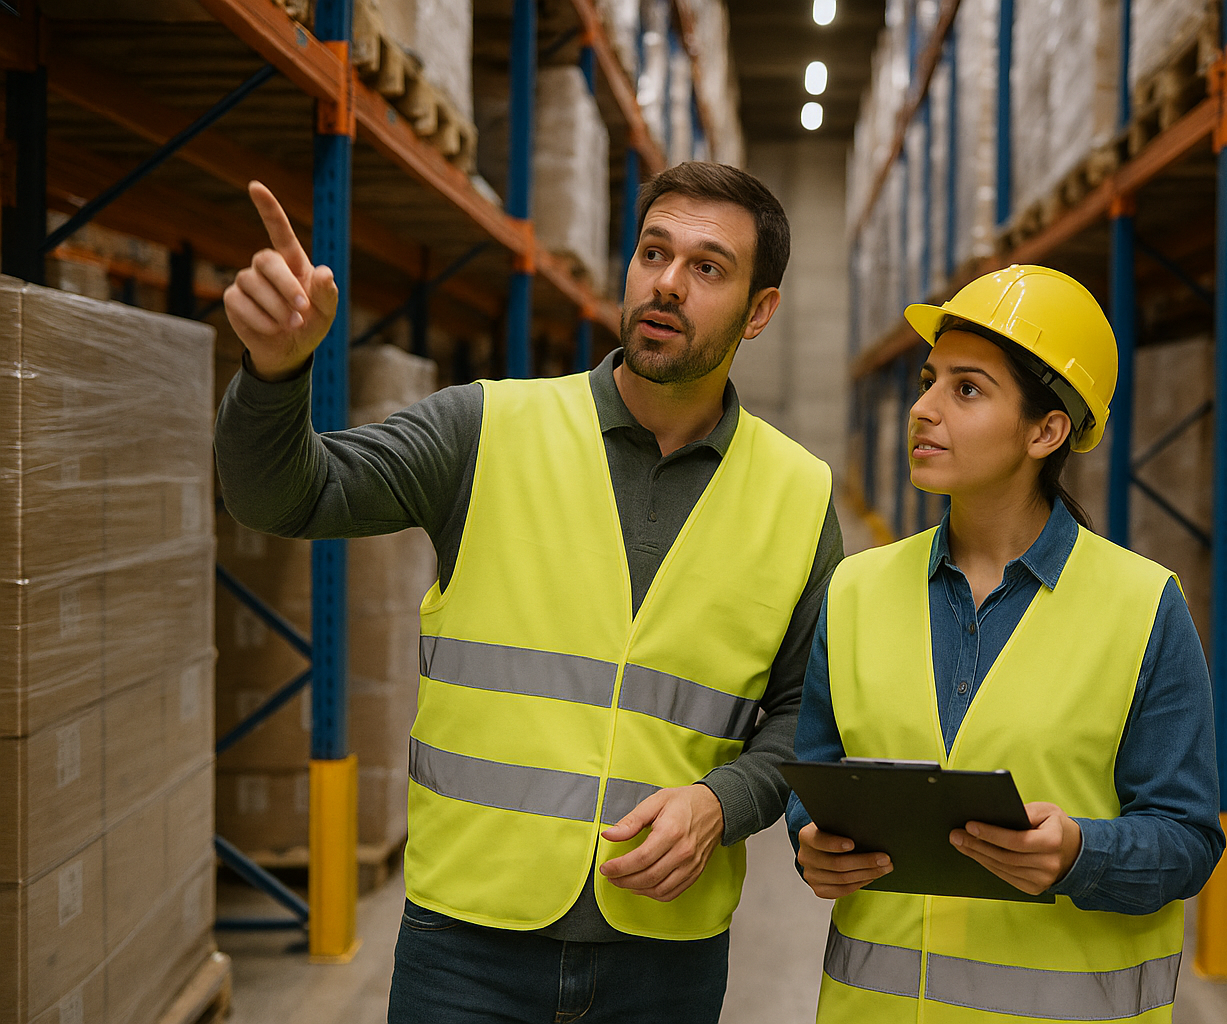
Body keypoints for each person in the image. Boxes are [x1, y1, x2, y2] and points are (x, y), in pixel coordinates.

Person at [215, 161, 842, 1024]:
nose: (666, 281)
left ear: (759, 311)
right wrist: (275, 376)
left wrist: (720, 804)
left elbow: (804, 719)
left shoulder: (797, 496)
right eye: (653, 251)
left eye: (707, 267)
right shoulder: (488, 428)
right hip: (467, 945)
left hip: (666, 956)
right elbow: (284, 496)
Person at [786, 265, 1224, 1022]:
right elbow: (815, 782)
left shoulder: (1144, 606)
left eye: (966, 389)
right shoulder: (854, 592)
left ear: (1045, 430)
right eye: (929, 380)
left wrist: (1082, 854)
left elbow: (1187, 840)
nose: (922, 409)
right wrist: (811, 842)